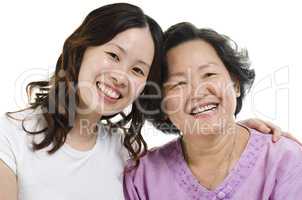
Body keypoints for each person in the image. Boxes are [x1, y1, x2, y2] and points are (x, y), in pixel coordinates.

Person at [0, 3, 288, 200]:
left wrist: (234, 133)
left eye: (138, 69)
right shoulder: (9, 137)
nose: (120, 76)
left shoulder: (123, 152)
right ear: (81, 48)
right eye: (113, 55)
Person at [123, 22, 302, 200]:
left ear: (236, 84)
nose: (198, 92)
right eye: (179, 83)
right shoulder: (141, 178)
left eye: (209, 74)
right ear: (162, 106)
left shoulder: (285, 161)